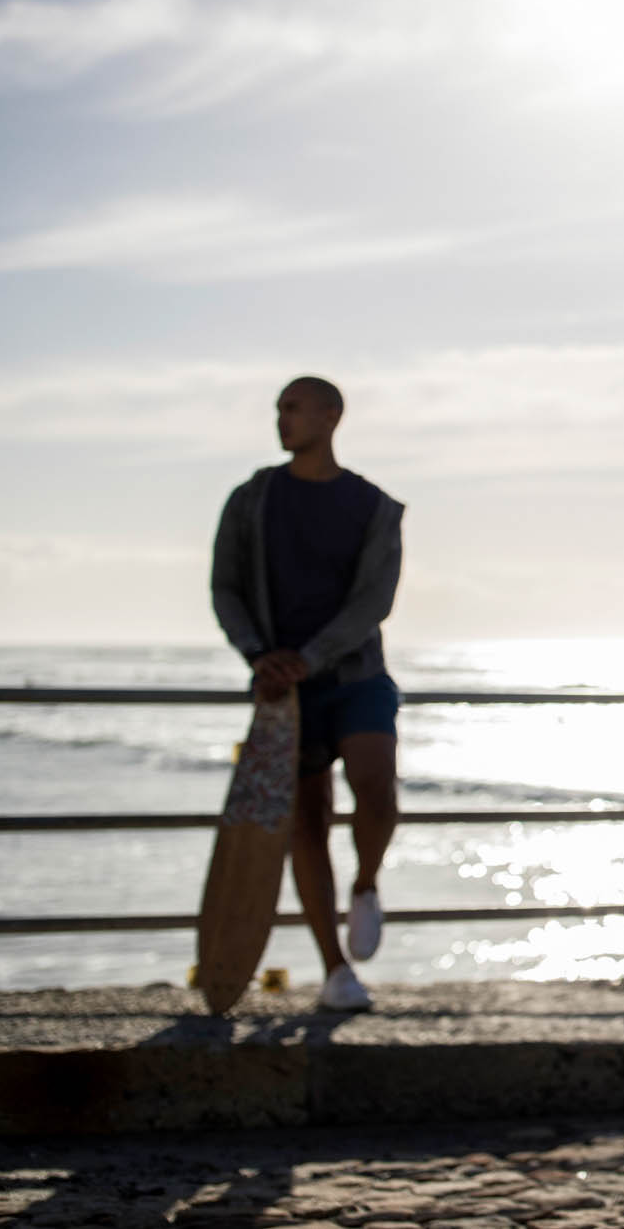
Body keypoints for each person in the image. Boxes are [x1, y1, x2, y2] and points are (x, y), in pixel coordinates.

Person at [210, 375, 406, 1012]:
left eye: (293, 408)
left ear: (331, 415)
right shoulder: (252, 498)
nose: (282, 419)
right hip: (282, 693)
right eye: (278, 410)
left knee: (376, 787)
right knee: (306, 821)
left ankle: (368, 885)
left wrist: (311, 656)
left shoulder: (374, 507)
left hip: (354, 678)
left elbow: (374, 601)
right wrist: (259, 656)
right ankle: (336, 969)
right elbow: (226, 587)